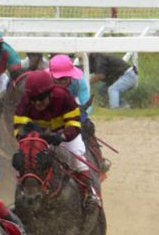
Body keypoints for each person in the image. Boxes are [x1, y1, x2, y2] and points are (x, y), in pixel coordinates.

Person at [14, 69, 101, 209]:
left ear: (50, 93)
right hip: (39, 137)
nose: (37, 103)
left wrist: (61, 136)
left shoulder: (64, 97)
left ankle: (89, 193)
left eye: (41, 98)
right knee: (24, 161)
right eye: (33, 99)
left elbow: (74, 124)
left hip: (64, 134)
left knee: (78, 159)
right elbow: (19, 129)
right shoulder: (25, 102)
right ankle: (20, 198)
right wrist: (33, 136)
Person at [48, 53, 110, 174]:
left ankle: (90, 189)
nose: (67, 82)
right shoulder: (41, 85)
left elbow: (87, 105)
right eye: (61, 79)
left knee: (86, 126)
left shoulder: (79, 82)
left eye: (68, 77)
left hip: (73, 111)